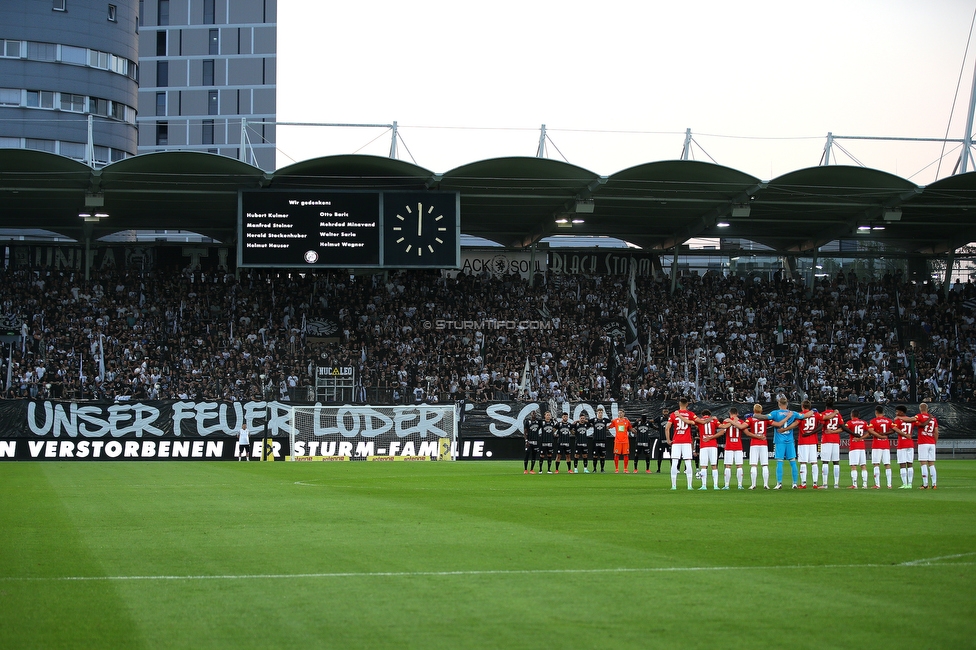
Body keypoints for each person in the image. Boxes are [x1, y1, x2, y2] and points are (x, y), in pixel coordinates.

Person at [768, 397, 802, 489]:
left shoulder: (775, 413)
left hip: (780, 441)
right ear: (787, 404)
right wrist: (812, 412)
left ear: (779, 404)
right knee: (793, 462)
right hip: (790, 440)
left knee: (779, 462)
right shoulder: (793, 413)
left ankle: (779, 483)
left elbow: (766, 417)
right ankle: (794, 483)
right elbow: (803, 416)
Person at [665, 397, 696, 490]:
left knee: (674, 463)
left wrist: (668, 439)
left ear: (679, 404)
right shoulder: (690, 414)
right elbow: (694, 423)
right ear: (687, 404)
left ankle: (674, 485)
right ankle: (689, 485)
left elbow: (667, 428)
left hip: (676, 441)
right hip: (686, 441)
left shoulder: (674, 414)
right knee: (688, 462)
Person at [716, 407, 747, 489]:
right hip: (738, 445)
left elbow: (722, 429)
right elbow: (743, 429)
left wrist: (730, 421)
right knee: (739, 466)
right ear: (737, 413)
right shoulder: (740, 422)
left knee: (728, 466)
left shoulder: (726, 421)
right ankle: (740, 485)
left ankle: (726, 485)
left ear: (730, 413)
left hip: (729, 446)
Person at [744, 404, 771, 490]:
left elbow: (745, 430)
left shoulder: (750, 419)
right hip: (763, 443)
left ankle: (753, 485)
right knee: (765, 465)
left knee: (753, 465)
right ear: (761, 410)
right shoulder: (766, 419)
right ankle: (766, 484)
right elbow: (774, 423)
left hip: (754, 443)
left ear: (754, 410)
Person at [867, 406, 894, 489]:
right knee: (887, 464)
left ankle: (877, 484)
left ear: (876, 412)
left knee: (876, 464)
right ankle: (889, 484)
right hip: (885, 445)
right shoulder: (889, 421)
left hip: (877, 445)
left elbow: (870, 430)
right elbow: (894, 430)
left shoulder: (873, 421)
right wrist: (885, 434)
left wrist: (879, 435)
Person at [692, 409, 721, 490]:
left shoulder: (700, 420)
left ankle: (704, 485)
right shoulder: (714, 420)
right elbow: (722, 428)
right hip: (713, 445)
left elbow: (694, 423)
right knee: (714, 466)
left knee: (703, 466)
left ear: (702, 415)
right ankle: (715, 485)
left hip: (703, 445)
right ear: (710, 414)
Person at [796, 400, 821, 489]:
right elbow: (822, 423)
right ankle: (815, 483)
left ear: (802, 406)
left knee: (803, 462)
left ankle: (803, 483)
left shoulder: (800, 415)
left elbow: (795, 423)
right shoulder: (816, 414)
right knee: (814, 462)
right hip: (813, 441)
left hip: (803, 440)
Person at [819, 399, 844, 489]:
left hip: (826, 439)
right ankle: (836, 484)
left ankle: (825, 484)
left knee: (825, 461)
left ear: (825, 405)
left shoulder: (823, 414)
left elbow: (821, 426)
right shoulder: (837, 414)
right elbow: (842, 428)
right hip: (836, 440)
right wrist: (834, 431)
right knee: (836, 462)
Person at [914, 403, 939, 489]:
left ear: (920, 409)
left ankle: (925, 484)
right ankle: (934, 484)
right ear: (927, 409)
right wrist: (934, 442)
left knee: (923, 463)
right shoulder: (933, 419)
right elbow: (936, 432)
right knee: (931, 463)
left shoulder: (919, 416)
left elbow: (918, 424)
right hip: (931, 442)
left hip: (923, 442)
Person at [844, 410, 870, 489]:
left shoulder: (850, 422)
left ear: (852, 415)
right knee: (863, 466)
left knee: (853, 466)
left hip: (854, 446)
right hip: (862, 446)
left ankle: (854, 484)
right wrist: (861, 438)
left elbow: (844, 428)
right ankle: (865, 484)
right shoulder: (864, 422)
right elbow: (869, 433)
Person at [892, 404, 916, 489]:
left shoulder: (898, 420)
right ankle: (910, 484)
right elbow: (915, 420)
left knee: (902, 464)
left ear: (901, 412)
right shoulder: (911, 420)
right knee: (910, 464)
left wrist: (904, 435)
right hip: (910, 444)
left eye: (897, 411)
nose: (896, 413)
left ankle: (905, 484)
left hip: (902, 444)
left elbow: (895, 429)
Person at [610, 408, 632, 473]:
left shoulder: (627, 421)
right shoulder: (615, 421)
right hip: (617, 441)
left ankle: (625, 469)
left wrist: (637, 432)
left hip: (625, 441)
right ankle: (616, 469)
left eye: (621, 413)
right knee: (616, 454)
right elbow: (609, 427)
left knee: (626, 455)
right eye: (619, 413)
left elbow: (631, 428)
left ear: (624, 414)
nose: (620, 414)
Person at [591, 407, 610, 473]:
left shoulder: (605, 420)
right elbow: (586, 421)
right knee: (595, 455)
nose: (600, 414)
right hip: (596, 440)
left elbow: (613, 421)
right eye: (599, 412)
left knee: (602, 455)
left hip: (603, 440)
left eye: (601, 412)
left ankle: (602, 469)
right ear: (597, 413)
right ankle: (594, 469)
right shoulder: (594, 420)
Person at [522, 409, 541, 474]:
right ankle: (525, 469)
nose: (534, 415)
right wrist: (526, 440)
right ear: (530, 414)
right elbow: (525, 431)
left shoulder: (538, 422)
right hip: (529, 441)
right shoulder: (527, 421)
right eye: (533, 413)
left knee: (534, 455)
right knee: (527, 454)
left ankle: (532, 469)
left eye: (535, 413)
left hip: (535, 441)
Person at [653, 407, 669, 473]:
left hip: (669, 439)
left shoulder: (671, 418)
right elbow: (652, 421)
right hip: (661, 439)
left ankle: (675, 469)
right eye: (664, 411)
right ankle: (658, 469)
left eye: (666, 411)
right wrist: (656, 428)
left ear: (668, 412)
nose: (665, 413)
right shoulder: (660, 418)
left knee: (672, 455)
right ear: (662, 412)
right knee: (660, 454)